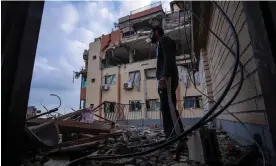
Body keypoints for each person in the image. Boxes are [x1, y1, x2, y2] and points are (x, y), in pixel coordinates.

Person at [150, 26, 185, 139]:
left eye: (152, 33)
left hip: (167, 78)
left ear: (156, 32)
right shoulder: (161, 43)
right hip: (165, 78)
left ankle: (178, 134)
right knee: (165, 107)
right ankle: (170, 134)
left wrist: (164, 76)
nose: (151, 35)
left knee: (169, 106)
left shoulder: (164, 40)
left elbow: (168, 58)